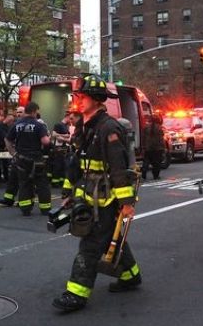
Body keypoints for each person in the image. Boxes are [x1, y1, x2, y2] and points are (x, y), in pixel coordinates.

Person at [53, 75, 140, 312]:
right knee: (110, 238)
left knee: (91, 245)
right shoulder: (84, 126)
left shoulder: (109, 128)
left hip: (106, 200)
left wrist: (126, 202)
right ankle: (130, 275)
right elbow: (76, 163)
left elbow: (118, 168)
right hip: (89, 195)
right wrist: (68, 190)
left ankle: (76, 293)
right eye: (77, 96)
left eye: (82, 97)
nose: (78, 100)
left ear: (96, 99)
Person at [6, 102, 52, 216]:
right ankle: (45, 208)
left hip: (21, 159)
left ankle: (25, 209)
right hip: (36, 159)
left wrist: (13, 153)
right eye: (37, 112)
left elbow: (7, 139)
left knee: (24, 183)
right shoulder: (38, 125)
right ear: (34, 111)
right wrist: (50, 137)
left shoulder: (17, 125)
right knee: (42, 183)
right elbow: (45, 141)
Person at [0, 106, 25, 207]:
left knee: (25, 181)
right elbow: (8, 139)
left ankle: (24, 201)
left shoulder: (31, 124)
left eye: (20, 112)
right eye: (17, 112)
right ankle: (8, 199)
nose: (18, 114)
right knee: (13, 178)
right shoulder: (15, 125)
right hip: (17, 155)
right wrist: (13, 153)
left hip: (27, 156)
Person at [142, 114, 166, 180]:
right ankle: (156, 175)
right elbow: (161, 139)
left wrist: (143, 146)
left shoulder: (146, 127)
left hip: (148, 147)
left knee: (146, 161)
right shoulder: (159, 128)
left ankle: (144, 173)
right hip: (158, 148)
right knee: (157, 163)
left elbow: (143, 138)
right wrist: (164, 148)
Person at [49, 118, 71, 188]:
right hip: (58, 148)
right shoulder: (58, 125)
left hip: (64, 148)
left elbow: (68, 135)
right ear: (67, 117)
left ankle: (60, 181)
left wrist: (62, 136)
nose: (70, 121)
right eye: (70, 119)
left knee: (62, 165)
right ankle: (55, 182)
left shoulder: (65, 126)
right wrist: (65, 136)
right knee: (57, 165)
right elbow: (54, 134)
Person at [0, 114, 13, 183]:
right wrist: (8, 145)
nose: (11, 123)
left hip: (4, 147)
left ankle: (6, 177)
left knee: (5, 162)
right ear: (8, 120)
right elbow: (5, 136)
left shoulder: (7, 127)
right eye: (11, 121)